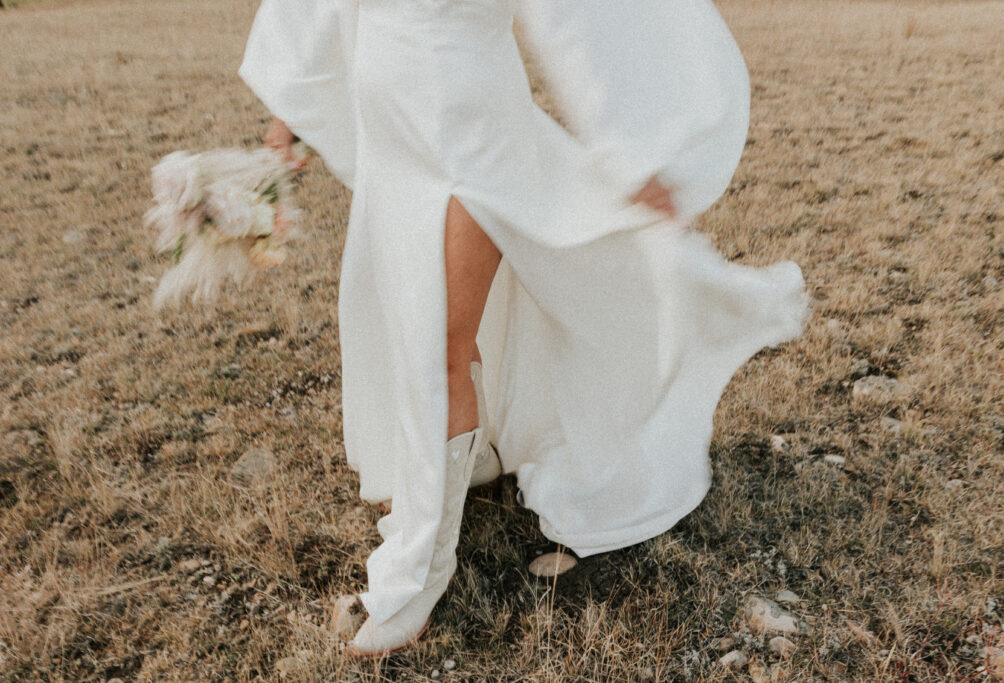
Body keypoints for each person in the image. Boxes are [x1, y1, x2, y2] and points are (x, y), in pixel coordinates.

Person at [239, 0, 808, 657]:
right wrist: (289, 112)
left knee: (434, 344)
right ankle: (467, 458)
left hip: (467, 125)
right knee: (407, 319)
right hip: (391, 125)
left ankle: (414, 575)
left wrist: (629, 150)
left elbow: (570, 15)